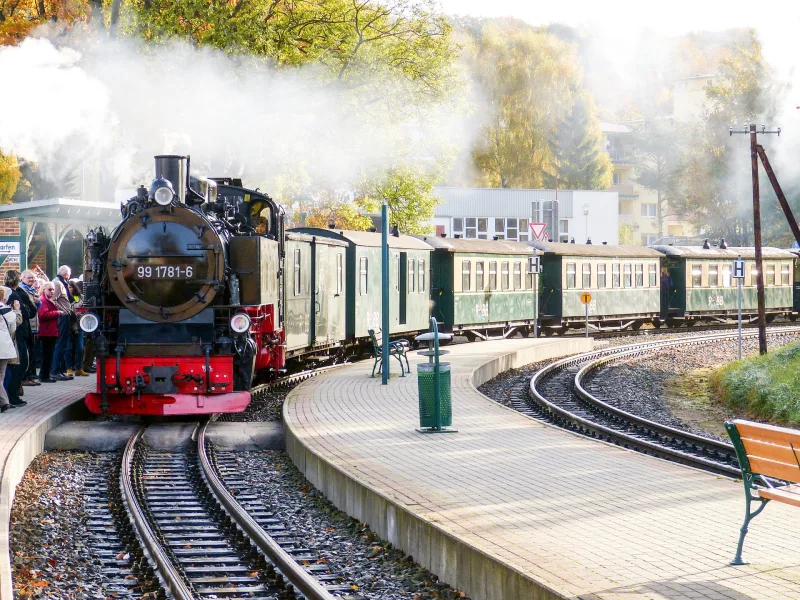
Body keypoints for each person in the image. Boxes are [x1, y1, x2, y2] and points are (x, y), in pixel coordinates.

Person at [5, 271, 33, 404]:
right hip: (18, 334)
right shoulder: (15, 294)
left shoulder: (9, 292)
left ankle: (11, 395)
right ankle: (13, 396)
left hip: (12, 334)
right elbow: (25, 314)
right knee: (19, 365)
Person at [51, 265, 74, 381]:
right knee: (60, 344)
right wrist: (61, 311)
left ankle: (59, 370)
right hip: (62, 317)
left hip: (64, 315)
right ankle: (55, 371)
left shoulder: (60, 283)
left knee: (63, 344)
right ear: (66, 274)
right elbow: (52, 299)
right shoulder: (58, 284)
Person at [37, 282, 63, 383]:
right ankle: (44, 376)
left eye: (52, 289)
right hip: (46, 331)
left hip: (50, 330)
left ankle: (45, 375)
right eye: (49, 289)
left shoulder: (48, 300)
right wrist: (57, 312)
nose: (52, 291)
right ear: (44, 290)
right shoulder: (43, 300)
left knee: (49, 354)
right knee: (46, 355)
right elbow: (43, 315)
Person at [0, 287, 20, 412]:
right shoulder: (9, 312)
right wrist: (17, 311)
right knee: (1, 377)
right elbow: (13, 330)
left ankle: (4, 402)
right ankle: (3, 402)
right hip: (6, 348)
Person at [19, 271, 40, 385]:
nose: (31, 280)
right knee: (28, 352)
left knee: (32, 352)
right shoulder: (23, 291)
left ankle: (30, 376)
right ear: (22, 278)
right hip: (28, 325)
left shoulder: (31, 290)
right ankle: (25, 378)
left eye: (33, 278)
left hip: (33, 325)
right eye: (29, 278)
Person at [68, 279, 88, 376]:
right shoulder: (64, 297)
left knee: (80, 348)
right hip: (69, 325)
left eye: (70, 287)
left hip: (79, 325)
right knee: (69, 348)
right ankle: (69, 368)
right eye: (68, 287)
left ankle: (79, 368)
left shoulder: (80, 297)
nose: (69, 289)